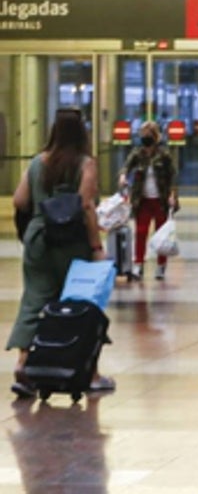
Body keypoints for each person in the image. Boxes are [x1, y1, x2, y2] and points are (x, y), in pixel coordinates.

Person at [9, 108, 113, 398]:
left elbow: (19, 200)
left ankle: (23, 363)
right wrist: (96, 247)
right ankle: (88, 372)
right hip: (70, 241)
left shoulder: (36, 163)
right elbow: (86, 206)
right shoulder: (85, 163)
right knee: (81, 304)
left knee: (34, 298)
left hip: (39, 239)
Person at [118, 120, 178, 281]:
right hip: (142, 200)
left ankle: (161, 265)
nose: (145, 138)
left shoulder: (164, 155)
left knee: (161, 236)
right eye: (143, 135)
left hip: (160, 200)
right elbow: (126, 166)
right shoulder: (137, 154)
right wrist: (123, 176)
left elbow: (172, 176)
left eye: (148, 135)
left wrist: (172, 195)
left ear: (155, 136)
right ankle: (138, 264)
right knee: (141, 232)